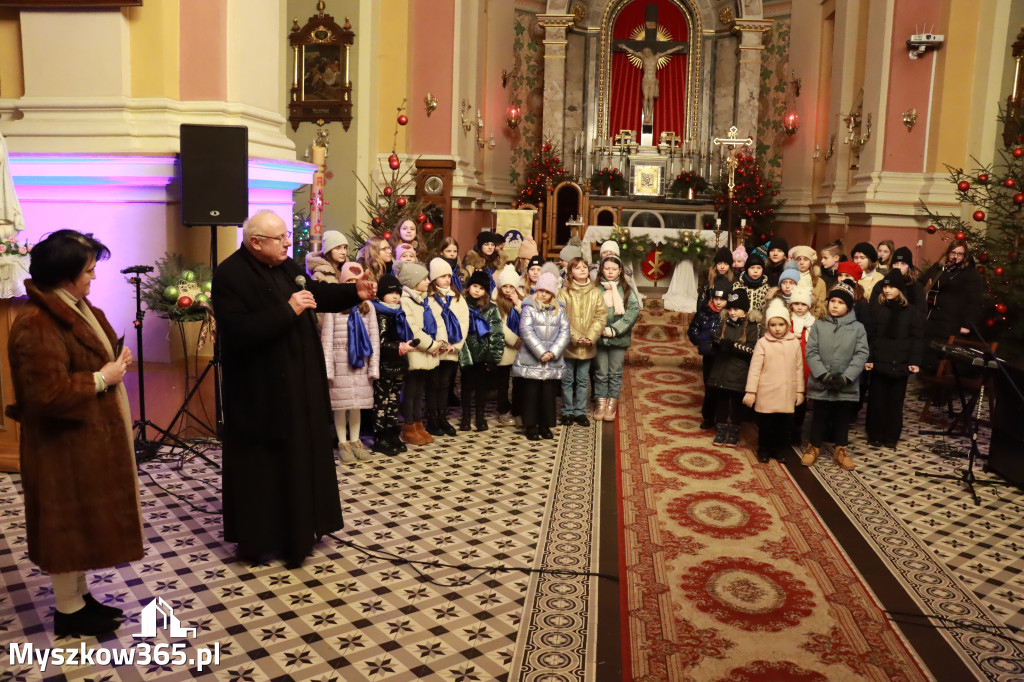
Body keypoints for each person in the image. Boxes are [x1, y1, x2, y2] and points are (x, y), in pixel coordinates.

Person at [213, 210, 372, 568]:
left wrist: (352, 292)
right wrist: (287, 310)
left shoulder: (285, 266)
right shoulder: (230, 275)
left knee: (299, 462)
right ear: (256, 242)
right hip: (260, 394)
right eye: (280, 237)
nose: (288, 242)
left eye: (287, 236)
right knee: (263, 469)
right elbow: (238, 332)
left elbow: (314, 293)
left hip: (299, 389)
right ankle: (259, 540)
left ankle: (297, 534)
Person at [7, 229, 139, 637]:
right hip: (61, 446)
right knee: (66, 528)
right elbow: (45, 393)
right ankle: (68, 610)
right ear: (65, 275)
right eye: (88, 270)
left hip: (84, 441)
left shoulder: (75, 308)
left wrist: (113, 362)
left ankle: (81, 599)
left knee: (82, 525)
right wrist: (103, 377)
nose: (93, 278)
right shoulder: (35, 322)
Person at [801, 282, 869, 471]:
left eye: (840, 302)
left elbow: (861, 354)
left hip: (845, 383)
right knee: (819, 416)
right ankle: (813, 447)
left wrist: (847, 377)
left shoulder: (858, 328)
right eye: (832, 301)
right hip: (822, 381)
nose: (835, 305)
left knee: (842, 417)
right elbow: (811, 351)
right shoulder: (819, 325)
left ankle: (841, 450)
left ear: (848, 305)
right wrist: (823, 374)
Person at [321, 262, 380, 463]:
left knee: (356, 405)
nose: (354, 286)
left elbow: (374, 339)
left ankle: (355, 441)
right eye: (349, 282)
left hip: (361, 364)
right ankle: (342, 442)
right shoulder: (334, 309)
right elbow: (326, 340)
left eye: (357, 281)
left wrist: (374, 367)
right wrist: (328, 370)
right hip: (340, 363)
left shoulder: (368, 307)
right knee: (340, 406)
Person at [865, 270, 923, 448]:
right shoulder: (877, 309)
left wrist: (914, 361)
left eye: (891, 287)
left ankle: (891, 436)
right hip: (880, 361)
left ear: (900, 289)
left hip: (900, 363)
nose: (887, 290)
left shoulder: (911, 312)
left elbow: (917, 338)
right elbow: (871, 336)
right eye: (885, 286)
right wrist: (869, 358)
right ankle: (875, 433)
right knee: (877, 400)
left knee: (895, 402)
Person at [744, 299, 805, 463]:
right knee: (766, 426)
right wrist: (751, 391)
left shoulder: (794, 343)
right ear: (768, 326)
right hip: (767, 392)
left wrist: (799, 391)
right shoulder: (763, 343)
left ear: (787, 325)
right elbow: (755, 369)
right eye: (773, 325)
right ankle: (763, 449)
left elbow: (799, 368)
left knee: (783, 426)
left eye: (781, 324)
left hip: (786, 393)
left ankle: (778, 449)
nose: (777, 329)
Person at [513, 272, 571, 440]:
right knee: (531, 394)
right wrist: (541, 352)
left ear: (553, 293)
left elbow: (565, 332)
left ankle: (545, 425)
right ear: (536, 290)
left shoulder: (559, 311)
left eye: (547, 292)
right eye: (540, 291)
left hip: (551, 360)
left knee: (547, 395)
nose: (543, 294)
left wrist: (552, 352)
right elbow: (526, 331)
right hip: (531, 359)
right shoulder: (528, 308)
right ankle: (530, 426)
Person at [918, 239, 984, 373]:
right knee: (927, 352)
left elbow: (974, 301)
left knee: (942, 358)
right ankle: (927, 382)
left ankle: (940, 388)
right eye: (953, 253)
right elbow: (920, 282)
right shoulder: (939, 268)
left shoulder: (970, 274)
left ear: (965, 256)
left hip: (952, 321)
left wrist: (967, 324)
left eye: (960, 254)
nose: (955, 256)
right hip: (933, 318)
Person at [708, 289, 761, 447]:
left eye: (736, 309)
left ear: (744, 310)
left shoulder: (752, 326)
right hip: (721, 370)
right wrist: (716, 343)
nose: (732, 312)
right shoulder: (723, 323)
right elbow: (717, 338)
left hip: (739, 372)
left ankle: (734, 432)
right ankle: (721, 430)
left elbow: (752, 350)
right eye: (730, 309)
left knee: (737, 404)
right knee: (722, 402)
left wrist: (732, 346)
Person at [559, 256, 608, 425]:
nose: (582, 269)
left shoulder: (596, 292)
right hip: (568, 343)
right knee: (567, 379)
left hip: (587, 343)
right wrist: (574, 336)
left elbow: (601, 316)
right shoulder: (564, 293)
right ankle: (567, 410)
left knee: (582, 379)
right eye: (577, 267)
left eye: (584, 267)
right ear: (570, 272)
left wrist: (591, 336)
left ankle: (579, 411)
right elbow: (560, 316)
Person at [594, 255, 640, 421]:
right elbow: (590, 311)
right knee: (600, 371)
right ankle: (600, 402)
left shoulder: (626, 290)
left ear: (620, 270)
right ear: (601, 270)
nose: (610, 272)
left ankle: (611, 402)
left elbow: (633, 311)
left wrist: (615, 330)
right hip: (599, 337)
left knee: (614, 372)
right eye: (607, 269)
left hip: (618, 338)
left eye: (614, 269)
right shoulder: (596, 289)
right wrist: (599, 329)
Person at [426, 257, 468, 436]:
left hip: (451, 350)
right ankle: (432, 418)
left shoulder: (457, 298)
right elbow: (428, 322)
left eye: (448, 276)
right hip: (435, 350)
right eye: (442, 276)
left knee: (445, 384)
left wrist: (456, 345)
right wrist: (435, 344)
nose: (446, 279)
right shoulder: (429, 298)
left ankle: (442, 417)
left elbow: (464, 322)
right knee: (433, 384)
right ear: (434, 278)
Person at [370, 274, 412, 456]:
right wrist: (398, 347)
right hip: (385, 364)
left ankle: (392, 432)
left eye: (397, 292)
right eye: (391, 293)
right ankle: (380, 436)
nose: (395, 296)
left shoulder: (399, 312)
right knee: (382, 401)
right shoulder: (381, 314)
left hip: (399, 364)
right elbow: (380, 341)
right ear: (381, 295)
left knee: (394, 400)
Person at [398, 261, 438, 445]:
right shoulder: (406, 301)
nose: (428, 281)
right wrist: (432, 345)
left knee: (419, 390)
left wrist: (440, 342)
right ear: (413, 282)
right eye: (424, 278)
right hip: (415, 351)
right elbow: (414, 329)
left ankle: (418, 423)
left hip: (425, 352)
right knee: (411, 390)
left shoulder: (422, 299)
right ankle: (408, 426)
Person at [459, 270, 504, 430]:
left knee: (481, 388)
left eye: (481, 288)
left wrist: (493, 357)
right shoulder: (461, 304)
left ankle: (480, 415)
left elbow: (496, 333)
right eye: (474, 286)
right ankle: (465, 416)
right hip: (466, 354)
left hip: (483, 355)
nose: (477, 290)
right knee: (466, 387)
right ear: (469, 286)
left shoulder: (490, 308)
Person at [688, 275, 728, 429]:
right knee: (709, 385)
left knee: (721, 387)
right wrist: (704, 340)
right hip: (709, 355)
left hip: (723, 357)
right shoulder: (704, 312)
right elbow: (693, 330)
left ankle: (721, 419)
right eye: (716, 299)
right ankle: (708, 417)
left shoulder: (729, 315)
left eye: (722, 300)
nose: (718, 302)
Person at [494, 264, 523, 426]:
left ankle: (517, 409)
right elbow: (500, 326)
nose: (508, 289)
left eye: (511, 286)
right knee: (503, 383)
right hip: (506, 349)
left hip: (520, 350)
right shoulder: (495, 304)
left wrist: (518, 303)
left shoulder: (522, 301)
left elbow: (528, 317)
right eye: (505, 286)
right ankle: (503, 410)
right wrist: (515, 340)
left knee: (518, 381)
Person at [788, 288, 816, 444]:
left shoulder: (813, 324)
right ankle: (785, 427)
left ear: (809, 306)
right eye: (796, 304)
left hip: (805, 366)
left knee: (801, 400)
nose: (799, 307)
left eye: (803, 304)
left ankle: (796, 429)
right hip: (788, 365)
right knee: (786, 398)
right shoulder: (787, 321)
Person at [788, 245, 828, 318]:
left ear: (811, 262)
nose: (801, 262)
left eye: (805, 259)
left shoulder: (820, 283)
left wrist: (813, 319)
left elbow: (821, 305)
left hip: (811, 320)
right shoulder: (788, 279)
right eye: (799, 259)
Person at [889, 246, 927, 316]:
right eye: (896, 263)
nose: (899, 267)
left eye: (903, 264)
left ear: (909, 267)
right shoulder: (883, 284)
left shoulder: (916, 288)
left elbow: (921, 314)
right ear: (892, 265)